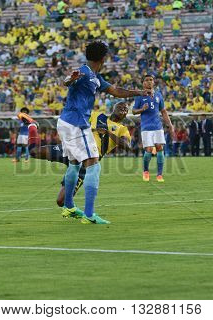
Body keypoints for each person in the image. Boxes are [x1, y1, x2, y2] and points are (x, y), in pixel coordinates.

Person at [58, 40, 148, 225]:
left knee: (75, 163)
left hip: (65, 122)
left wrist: (139, 92)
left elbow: (116, 91)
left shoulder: (95, 77)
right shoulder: (83, 72)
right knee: (94, 165)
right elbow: (67, 81)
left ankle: (68, 206)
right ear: (103, 58)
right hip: (76, 123)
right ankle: (89, 215)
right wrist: (70, 79)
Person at [30, 102, 131, 209]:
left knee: (61, 201)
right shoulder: (97, 115)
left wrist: (108, 133)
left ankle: (74, 210)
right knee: (34, 151)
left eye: (125, 109)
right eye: (120, 106)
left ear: (126, 114)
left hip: (87, 161)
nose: (123, 109)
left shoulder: (122, 129)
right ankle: (32, 125)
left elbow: (126, 146)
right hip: (73, 148)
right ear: (114, 108)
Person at [132, 74, 175, 183]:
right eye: (147, 80)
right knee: (149, 150)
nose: (149, 82)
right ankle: (146, 171)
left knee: (160, 148)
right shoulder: (139, 96)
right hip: (146, 127)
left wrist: (169, 125)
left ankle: (159, 175)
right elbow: (133, 111)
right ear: (143, 83)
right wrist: (142, 109)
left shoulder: (158, 95)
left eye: (151, 80)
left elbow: (163, 111)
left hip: (158, 126)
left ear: (153, 82)